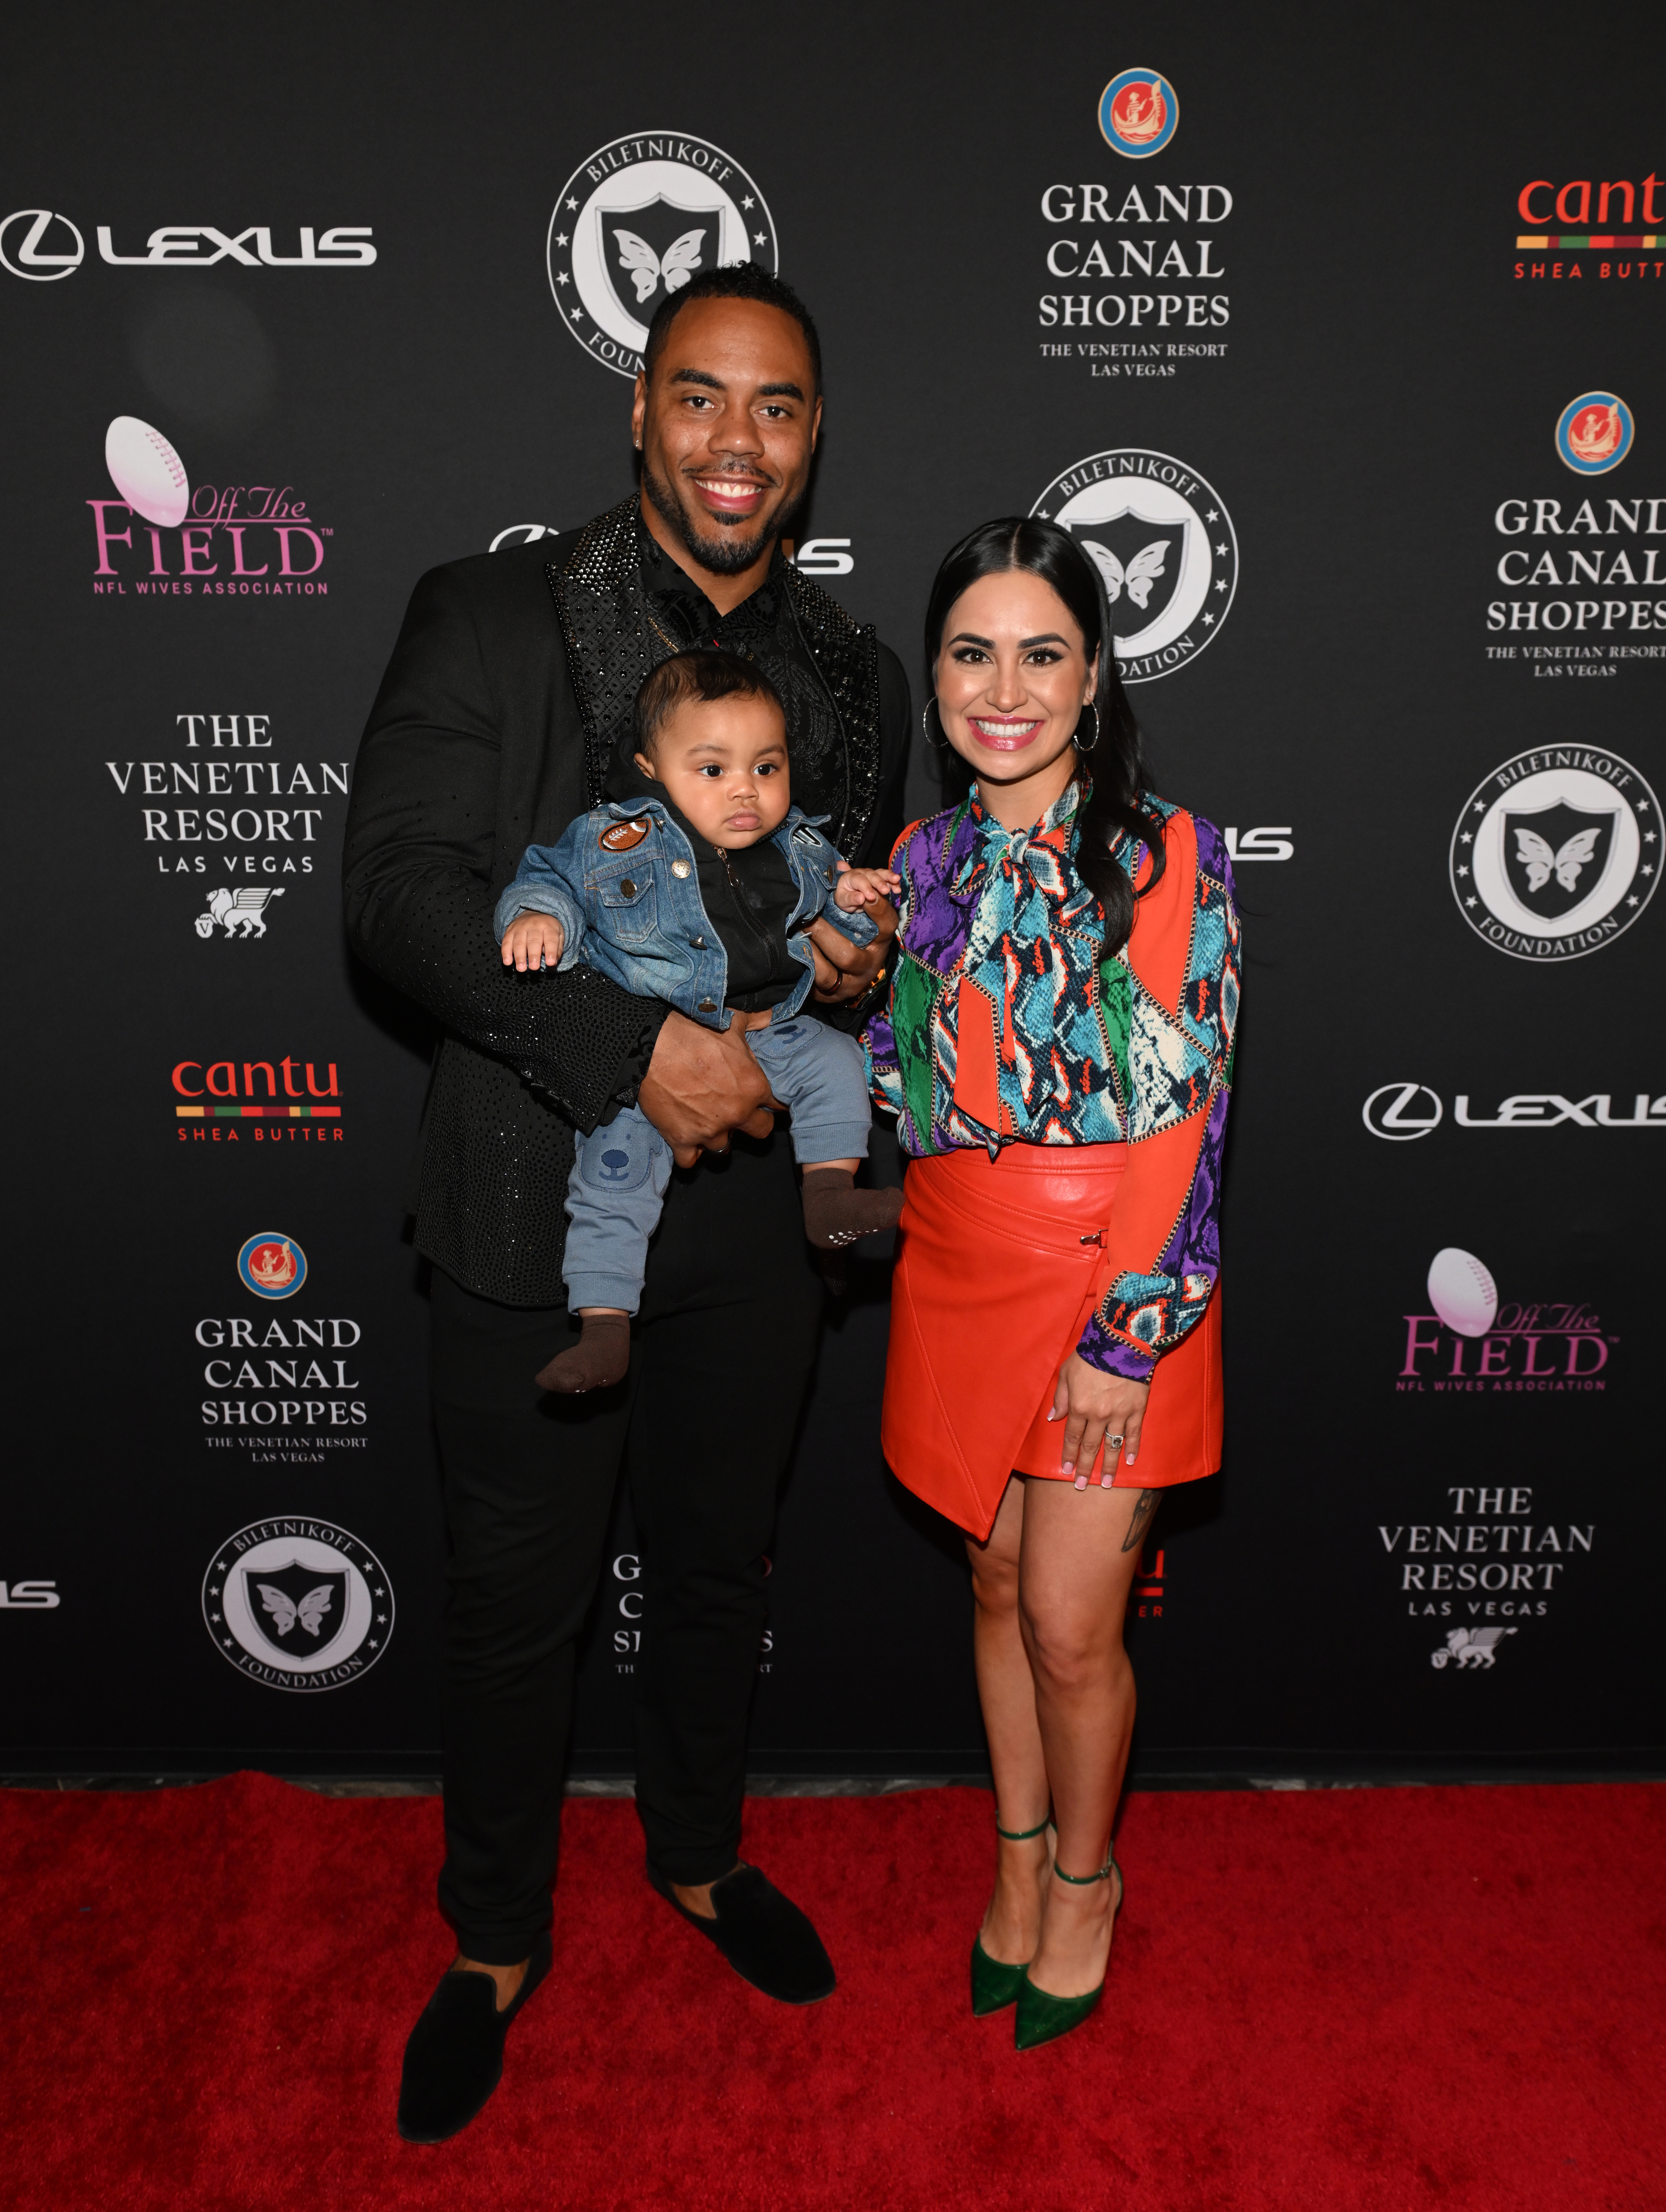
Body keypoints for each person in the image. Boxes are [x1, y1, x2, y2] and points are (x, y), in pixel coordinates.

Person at [343, 262, 908, 2145]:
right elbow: (401, 892)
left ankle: (694, 1854)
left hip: (757, 1223)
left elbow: (832, 932)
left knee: (717, 1569)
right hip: (529, 1201)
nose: (734, 441)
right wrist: (619, 1045)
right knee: (517, 1604)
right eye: (697, 396)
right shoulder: (491, 614)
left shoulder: (853, 674)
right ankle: (493, 1937)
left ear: (812, 436)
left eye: (775, 405)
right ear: (638, 409)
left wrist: (836, 973)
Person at [865, 518, 1237, 2052]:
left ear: (1092, 676)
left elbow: (1185, 1117)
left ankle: (1088, 1881)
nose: (1001, 687)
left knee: (1078, 1625)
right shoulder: (922, 862)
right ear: (938, 673)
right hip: (955, 1257)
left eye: (1041, 652)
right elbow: (907, 1083)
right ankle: (1014, 1859)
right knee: (996, 1582)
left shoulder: (1163, 854)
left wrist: (1124, 1335)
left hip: (1106, 1276)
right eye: (971, 651)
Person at [495, 648, 904, 1392]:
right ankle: (602, 1325)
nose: (745, 792)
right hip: (653, 1047)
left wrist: (857, 895)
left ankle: (829, 1195)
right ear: (652, 768)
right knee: (612, 1182)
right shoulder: (615, 839)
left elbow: (833, 902)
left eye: (767, 768)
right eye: (713, 770)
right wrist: (537, 917)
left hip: (771, 1027)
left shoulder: (800, 846)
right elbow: (548, 877)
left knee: (840, 1065)